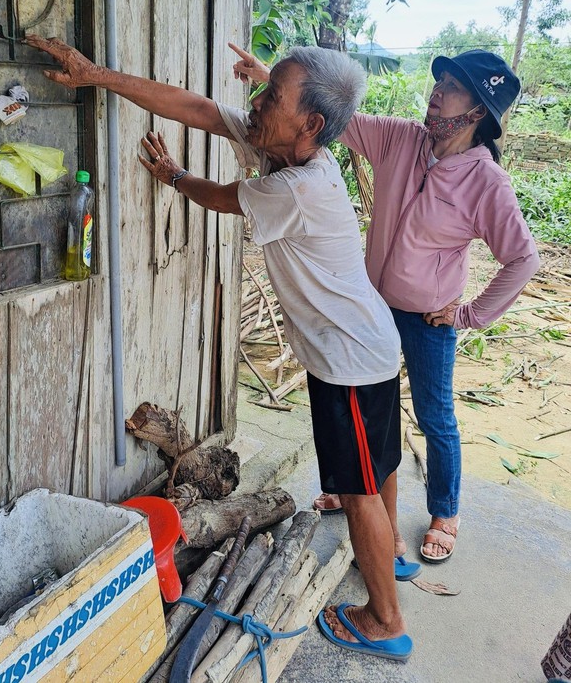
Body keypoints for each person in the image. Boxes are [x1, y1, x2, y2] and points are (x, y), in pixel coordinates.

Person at [25, 34, 414, 661]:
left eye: (271, 95)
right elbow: (202, 110)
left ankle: (385, 620)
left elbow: (219, 197)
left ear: (311, 124)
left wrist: (176, 177)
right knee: (377, 466)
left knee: (358, 488)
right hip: (366, 346)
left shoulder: (295, 188)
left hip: (348, 361)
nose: (255, 102)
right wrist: (100, 75)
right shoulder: (288, 151)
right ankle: (390, 554)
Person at [230, 43, 540, 564]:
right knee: (370, 409)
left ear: (477, 113)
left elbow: (523, 259)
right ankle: (354, 489)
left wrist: (469, 315)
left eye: (452, 88)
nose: (437, 93)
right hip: (368, 308)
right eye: (439, 82)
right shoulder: (401, 138)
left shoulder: (486, 182)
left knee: (434, 416)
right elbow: (335, 118)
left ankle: (445, 511)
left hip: (426, 318)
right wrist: (271, 79)